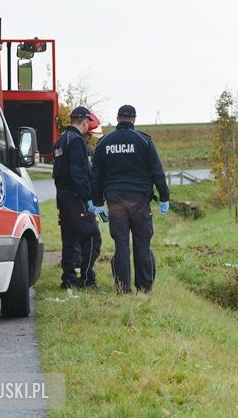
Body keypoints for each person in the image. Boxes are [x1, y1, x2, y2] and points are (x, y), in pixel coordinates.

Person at [91, 104, 169, 294]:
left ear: (118, 119)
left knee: (121, 244)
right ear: (134, 119)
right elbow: (157, 171)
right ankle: (144, 287)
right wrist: (164, 197)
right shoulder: (143, 141)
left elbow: (96, 175)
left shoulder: (104, 142)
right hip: (139, 201)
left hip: (115, 200)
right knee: (142, 243)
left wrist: (97, 202)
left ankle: (122, 288)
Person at [52, 106, 105, 289]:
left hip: (63, 196)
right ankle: (86, 279)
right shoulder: (76, 141)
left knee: (70, 238)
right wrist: (88, 198)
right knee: (92, 237)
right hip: (75, 197)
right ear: (84, 123)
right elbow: (78, 172)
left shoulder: (60, 140)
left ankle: (68, 279)